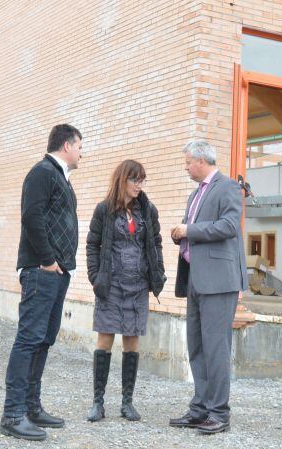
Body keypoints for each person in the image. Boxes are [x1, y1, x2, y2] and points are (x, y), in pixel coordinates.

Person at [0, 124, 83, 441]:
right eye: (79, 146)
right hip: (41, 271)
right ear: (66, 144)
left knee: (45, 338)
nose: (81, 152)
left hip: (57, 274)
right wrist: (48, 261)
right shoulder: (42, 172)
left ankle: (31, 407)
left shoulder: (60, 177)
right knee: (29, 339)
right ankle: (12, 414)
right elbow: (31, 217)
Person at [168, 140, 247, 435]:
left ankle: (219, 414)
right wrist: (181, 235)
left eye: (188, 162)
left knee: (215, 349)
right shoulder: (195, 195)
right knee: (197, 347)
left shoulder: (227, 187)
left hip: (218, 282)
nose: (186, 167)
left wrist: (190, 230)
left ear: (201, 160)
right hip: (195, 279)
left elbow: (229, 226)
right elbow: (197, 231)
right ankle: (200, 409)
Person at [85, 159, 166, 422]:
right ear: (123, 181)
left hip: (137, 286)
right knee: (105, 340)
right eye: (135, 180)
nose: (139, 185)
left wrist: (158, 272)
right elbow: (92, 245)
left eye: (142, 180)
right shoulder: (104, 210)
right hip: (111, 285)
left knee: (132, 341)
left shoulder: (147, 210)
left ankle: (127, 402)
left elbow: (155, 242)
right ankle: (98, 402)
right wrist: (96, 278)